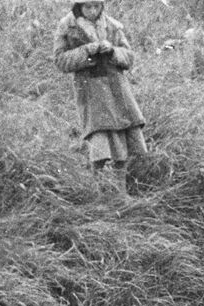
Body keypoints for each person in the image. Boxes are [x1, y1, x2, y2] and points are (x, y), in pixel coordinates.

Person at [54, 1, 146, 194]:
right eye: (88, 7)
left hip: (117, 90)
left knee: (122, 141)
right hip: (91, 92)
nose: (93, 11)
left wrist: (113, 51)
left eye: (96, 6)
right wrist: (87, 51)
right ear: (79, 7)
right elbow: (60, 61)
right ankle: (99, 193)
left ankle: (121, 193)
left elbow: (129, 57)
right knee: (99, 143)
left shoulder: (112, 25)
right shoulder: (68, 27)